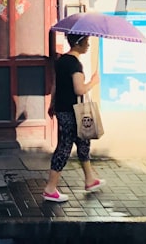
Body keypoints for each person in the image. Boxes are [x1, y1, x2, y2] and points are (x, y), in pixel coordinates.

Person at [43, 33, 104, 202]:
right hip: (71, 111)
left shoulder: (62, 61)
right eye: (86, 41)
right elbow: (79, 89)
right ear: (78, 43)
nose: (88, 45)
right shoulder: (74, 64)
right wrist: (93, 82)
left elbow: (56, 85)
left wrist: (52, 104)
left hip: (64, 108)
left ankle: (90, 179)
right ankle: (50, 188)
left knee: (83, 142)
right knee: (64, 147)